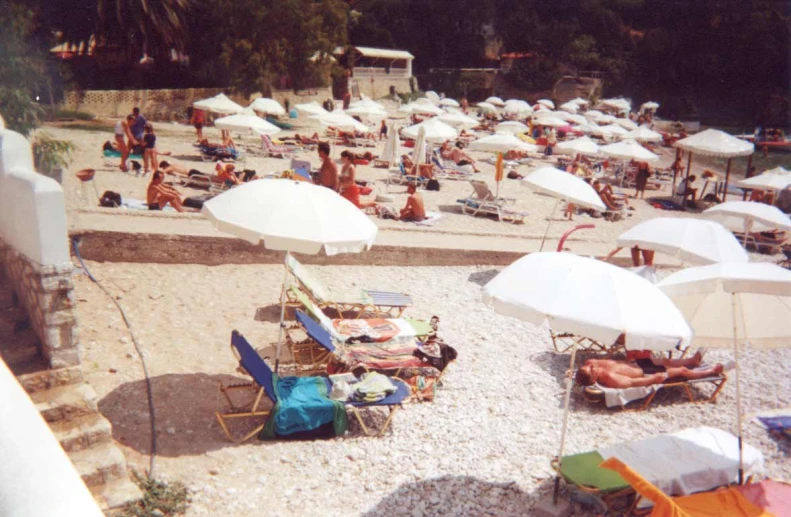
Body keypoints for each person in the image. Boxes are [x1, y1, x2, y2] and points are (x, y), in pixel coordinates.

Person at [575, 354, 724, 389]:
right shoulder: (609, 378)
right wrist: (654, 379)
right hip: (647, 372)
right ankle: (710, 372)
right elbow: (633, 382)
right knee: (682, 371)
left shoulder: (591, 363)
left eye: (590, 367)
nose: (595, 367)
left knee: (667, 361)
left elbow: (586, 366)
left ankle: (693, 361)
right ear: (594, 379)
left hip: (636, 363)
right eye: (593, 371)